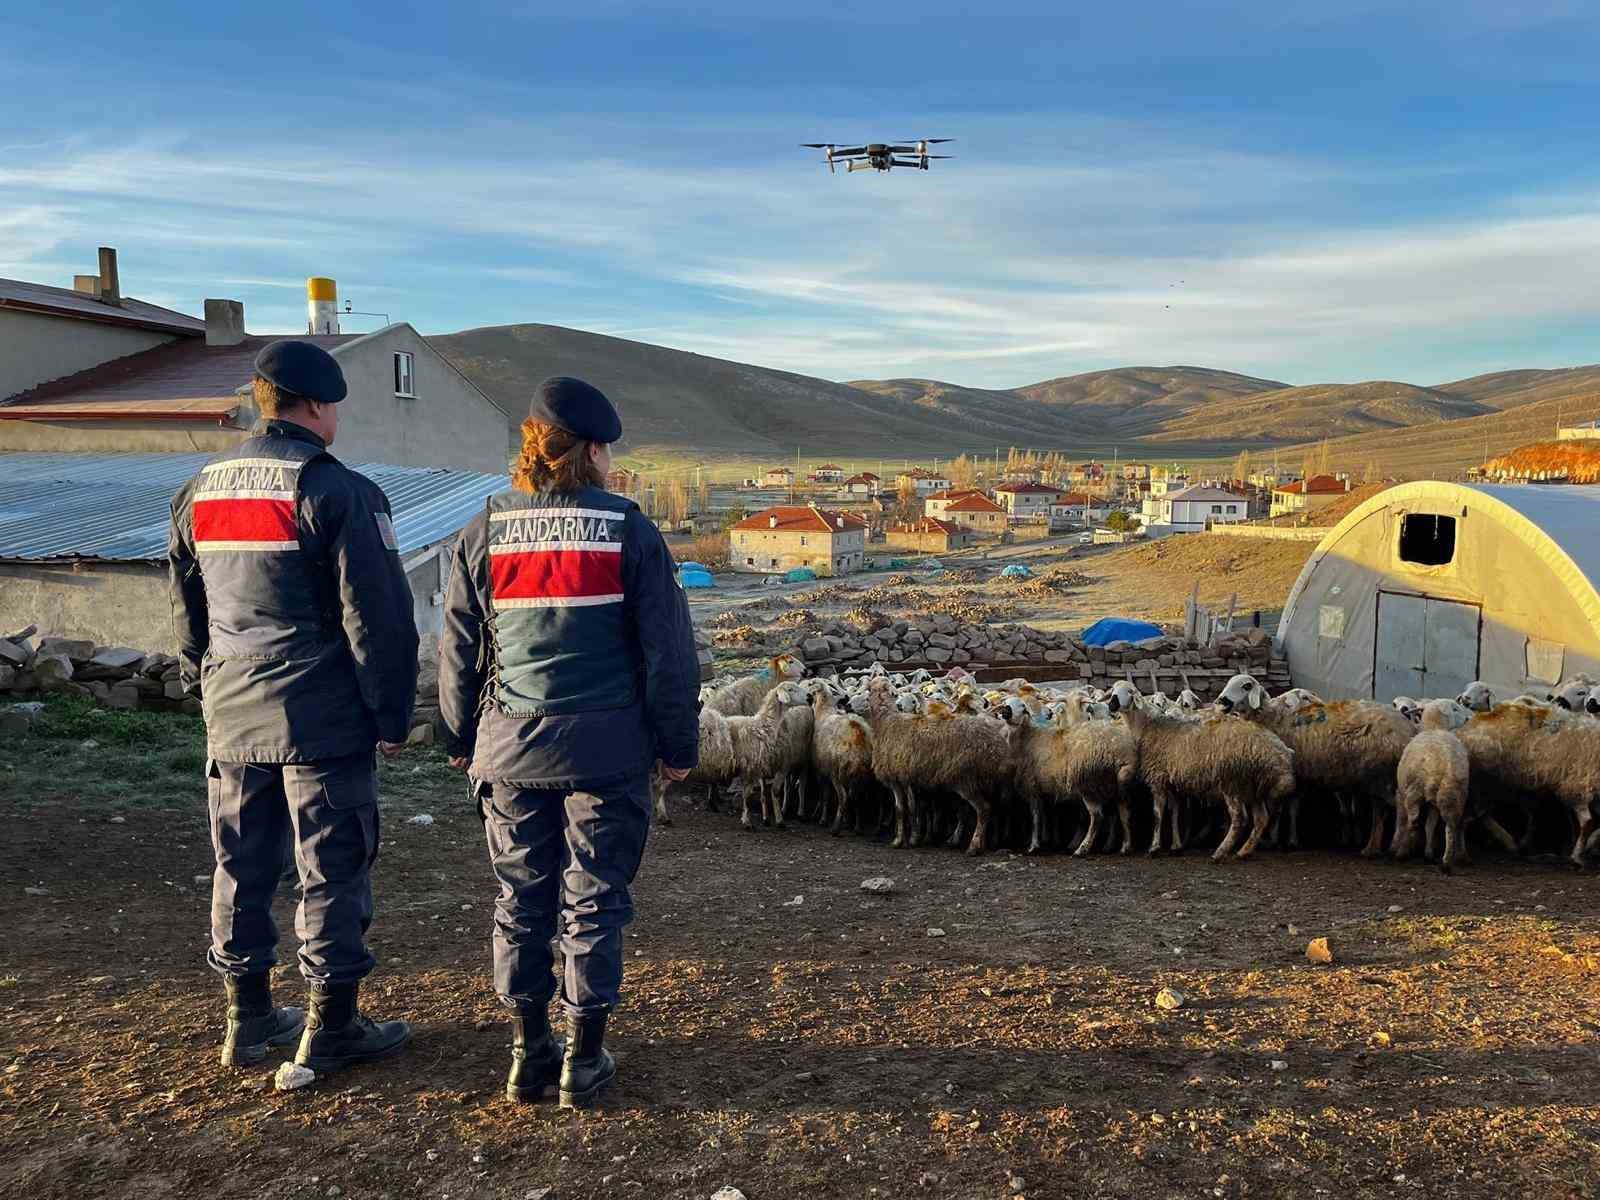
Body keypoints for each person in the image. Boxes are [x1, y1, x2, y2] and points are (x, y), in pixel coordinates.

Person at [438, 376, 699, 1108]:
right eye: (609, 452)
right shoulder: (629, 529)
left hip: (511, 749)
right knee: (592, 900)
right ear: (592, 451)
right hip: (607, 755)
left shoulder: (482, 530)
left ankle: (527, 1054)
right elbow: (669, 655)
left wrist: (460, 736)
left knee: (521, 899)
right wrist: (678, 746)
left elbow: (458, 647)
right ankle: (583, 1058)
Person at [168, 339, 420, 1072]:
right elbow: (378, 619)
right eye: (335, 404)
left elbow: (188, 610)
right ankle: (330, 1023)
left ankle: (247, 1021)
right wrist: (391, 714)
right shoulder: (337, 490)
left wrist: (206, 692)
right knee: (332, 868)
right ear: (315, 405)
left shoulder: (199, 490)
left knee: (240, 867)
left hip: (233, 712)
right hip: (320, 718)